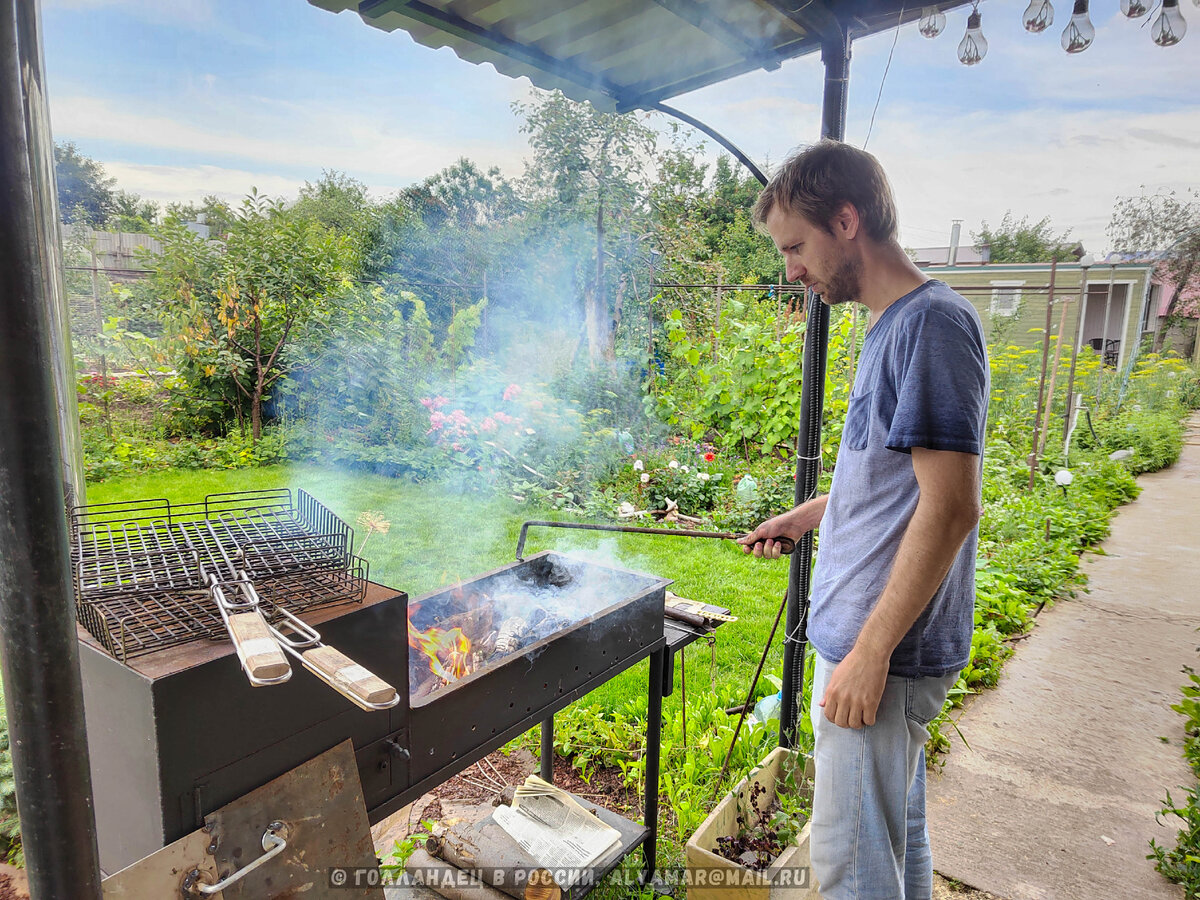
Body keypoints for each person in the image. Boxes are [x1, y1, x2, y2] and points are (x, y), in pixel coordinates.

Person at [738, 141, 989, 900]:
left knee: (850, 866)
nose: (790, 270)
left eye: (795, 247)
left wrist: (871, 653)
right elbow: (892, 481)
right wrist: (808, 516)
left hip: (883, 656)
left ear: (846, 220)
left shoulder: (932, 325)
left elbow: (950, 508)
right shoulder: (890, 324)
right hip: (871, 647)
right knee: (897, 835)